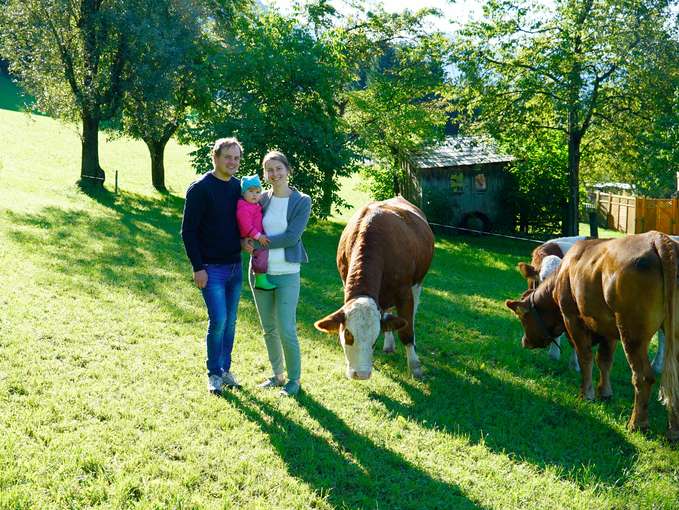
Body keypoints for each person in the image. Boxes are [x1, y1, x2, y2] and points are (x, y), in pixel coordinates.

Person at [181, 137, 244, 395]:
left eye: (237, 158)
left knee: (230, 322)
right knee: (218, 320)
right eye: (228, 157)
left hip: (235, 267)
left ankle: (225, 369)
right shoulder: (200, 189)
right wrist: (198, 267)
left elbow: (242, 222)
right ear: (215, 158)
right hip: (211, 269)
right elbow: (188, 232)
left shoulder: (239, 188)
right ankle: (213, 373)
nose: (232, 162)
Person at [247, 150, 311, 397]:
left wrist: (257, 242)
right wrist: (246, 241)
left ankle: (294, 379)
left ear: (288, 170)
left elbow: (291, 237)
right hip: (260, 272)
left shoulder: (301, 201)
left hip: (287, 273)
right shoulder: (260, 199)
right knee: (268, 328)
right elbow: (246, 225)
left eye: (278, 169)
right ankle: (277, 375)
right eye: (269, 170)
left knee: (286, 328)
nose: (274, 174)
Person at [236, 175, 277, 291]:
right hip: (250, 236)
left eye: (258, 192)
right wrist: (259, 237)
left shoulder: (253, 205)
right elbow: (246, 226)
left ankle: (261, 278)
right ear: (243, 193)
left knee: (262, 254)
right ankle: (260, 280)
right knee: (260, 254)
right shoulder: (243, 208)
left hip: (255, 234)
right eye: (251, 191)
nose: (255, 194)